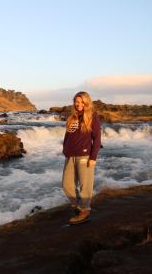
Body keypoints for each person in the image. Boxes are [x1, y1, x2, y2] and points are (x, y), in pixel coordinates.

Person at [62, 91, 101, 225]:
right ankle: (79, 206)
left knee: (85, 185)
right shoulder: (72, 117)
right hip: (70, 156)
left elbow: (97, 139)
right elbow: (68, 135)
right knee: (66, 185)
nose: (79, 104)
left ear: (86, 102)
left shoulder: (92, 116)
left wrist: (93, 157)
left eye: (82, 102)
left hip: (84, 156)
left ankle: (85, 211)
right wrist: (65, 149)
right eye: (77, 102)